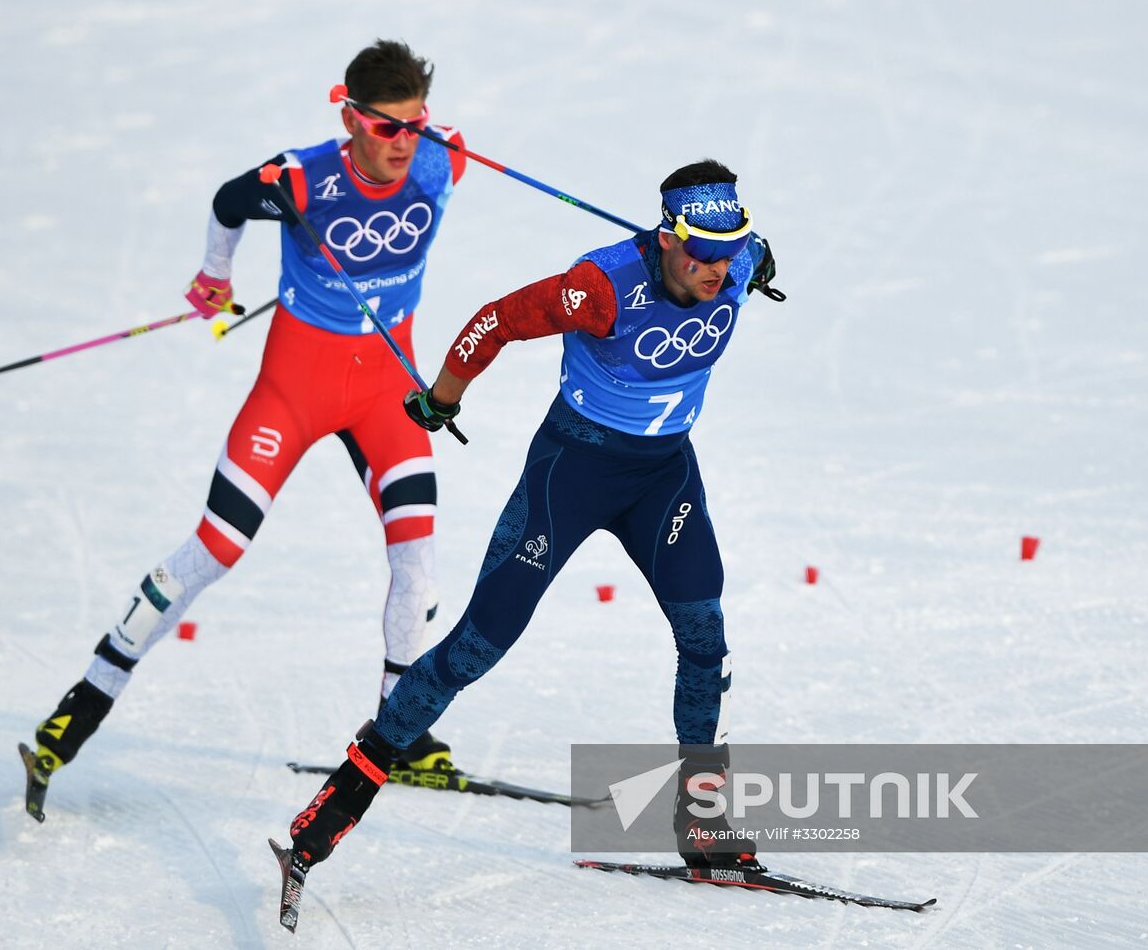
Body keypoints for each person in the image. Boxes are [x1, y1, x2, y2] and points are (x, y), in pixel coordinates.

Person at [276, 159, 777, 889]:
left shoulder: (738, 259)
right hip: (571, 474)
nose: (719, 267)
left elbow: (763, 254)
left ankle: (704, 828)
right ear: (668, 238)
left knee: (705, 636)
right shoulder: (602, 288)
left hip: (663, 479)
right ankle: (332, 810)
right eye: (703, 251)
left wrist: (757, 262)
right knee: (479, 644)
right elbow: (497, 320)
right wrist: (442, 399)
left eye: (731, 250)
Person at [19, 39, 469, 822]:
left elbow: (442, 153)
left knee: (419, 567)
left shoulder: (439, 161)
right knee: (216, 549)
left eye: (415, 124)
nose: (404, 143)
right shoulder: (301, 178)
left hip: (387, 395)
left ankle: (402, 737)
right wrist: (213, 278)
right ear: (350, 117)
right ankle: (79, 708)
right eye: (387, 127)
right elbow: (230, 201)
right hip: (294, 391)